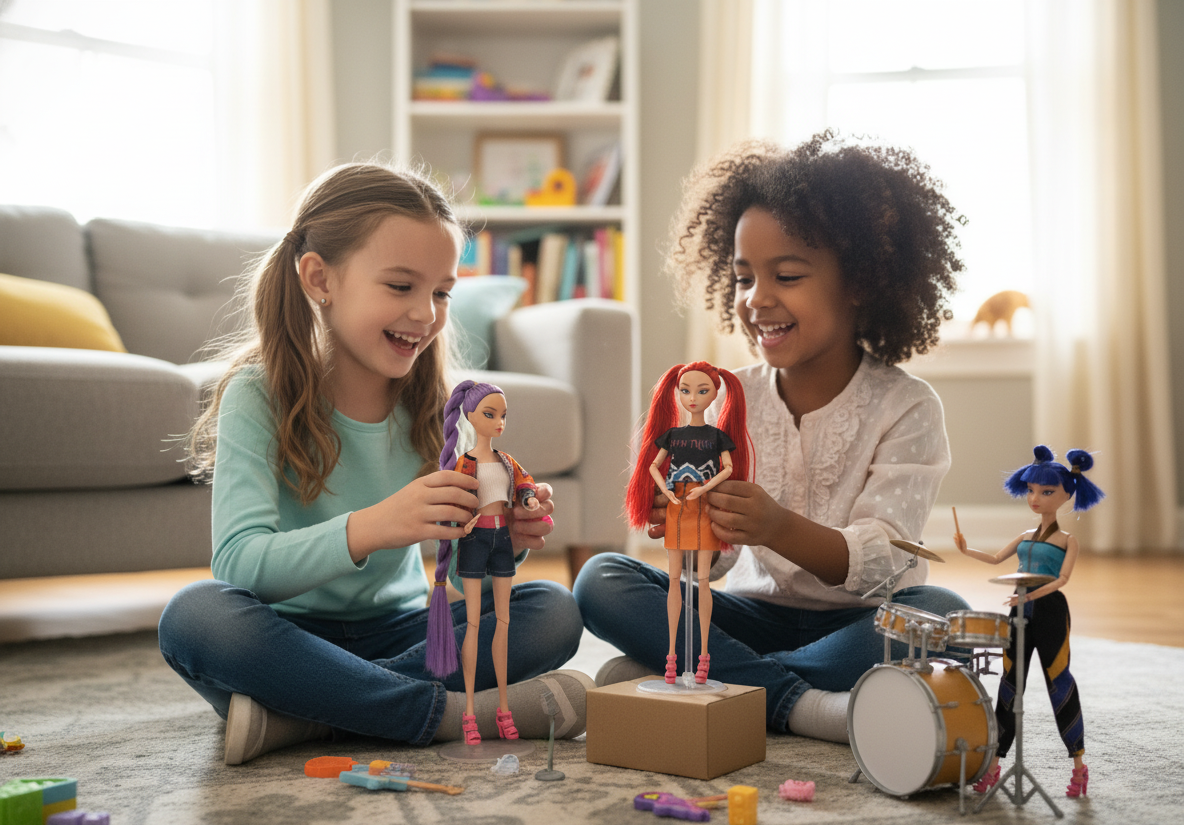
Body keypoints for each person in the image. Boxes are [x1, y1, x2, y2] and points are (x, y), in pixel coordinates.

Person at [157, 163, 590, 766]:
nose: (426, 313)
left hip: (409, 630)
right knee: (195, 617)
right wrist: (376, 525)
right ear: (319, 278)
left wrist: (507, 538)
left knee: (554, 610)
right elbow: (239, 566)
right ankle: (436, 715)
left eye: (441, 291)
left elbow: (459, 548)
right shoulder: (257, 394)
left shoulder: (442, 405)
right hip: (289, 636)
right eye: (400, 286)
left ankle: (308, 716)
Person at [575, 131, 970, 743]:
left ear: (860, 281)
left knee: (941, 614)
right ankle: (801, 703)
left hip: (859, 623)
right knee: (600, 578)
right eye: (741, 278)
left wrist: (776, 527)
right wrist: (691, 528)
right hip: (745, 617)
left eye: (786, 275)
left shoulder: (907, 406)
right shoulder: (724, 396)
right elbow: (715, 565)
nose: (757, 299)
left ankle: (711, 683)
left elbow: (884, 560)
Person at [954, 446, 1104, 798]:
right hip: (1019, 610)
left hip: (1050, 610)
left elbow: (1062, 580)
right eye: (1032, 491)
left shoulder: (1068, 541)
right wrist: (965, 550)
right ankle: (994, 765)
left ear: (1068, 494)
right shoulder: (1024, 536)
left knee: (1059, 680)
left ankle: (1079, 765)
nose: (1036, 498)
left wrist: (1032, 595)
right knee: (1010, 682)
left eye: (1047, 492)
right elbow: (994, 560)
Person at [425, 380, 547, 743]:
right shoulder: (465, 464)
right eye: (490, 415)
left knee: (505, 622)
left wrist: (529, 501)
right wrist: (462, 526)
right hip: (476, 541)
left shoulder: (507, 462)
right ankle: (468, 715)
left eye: (503, 416)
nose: (499, 423)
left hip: (502, 540)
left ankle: (505, 708)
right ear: (470, 416)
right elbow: (454, 507)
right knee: (476, 624)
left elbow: (524, 485)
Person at [624, 361, 752, 685]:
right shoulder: (673, 436)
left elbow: (726, 469)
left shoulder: (717, 436)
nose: (692, 398)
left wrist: (707, 489)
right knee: (674, 579)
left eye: (702, 391)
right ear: (677, 393)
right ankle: (671, 657)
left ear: (715, 394)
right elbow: (653, 465)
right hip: (678, 505)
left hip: (703, 505)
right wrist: (665, 488)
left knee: (704, 580)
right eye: (685, 390)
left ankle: (704, 657)